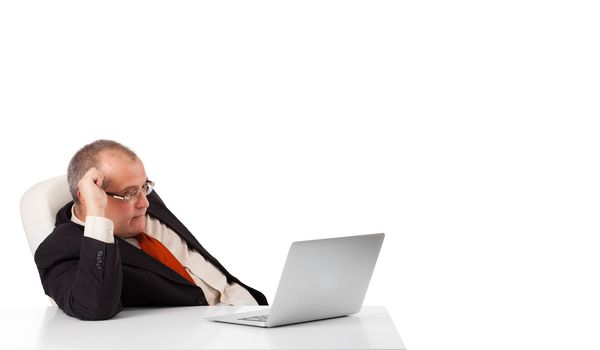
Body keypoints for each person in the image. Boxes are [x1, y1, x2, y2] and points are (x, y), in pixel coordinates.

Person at [34, 140, 267, 320]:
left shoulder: (145, 202)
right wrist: (97, 215)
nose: (144, 203)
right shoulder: (58, 250)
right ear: (87, 198)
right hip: (205, 333)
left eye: (144, 187)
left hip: (253, 310)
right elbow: (94, 307)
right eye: (129, 194)